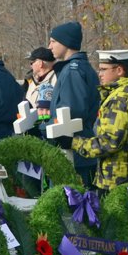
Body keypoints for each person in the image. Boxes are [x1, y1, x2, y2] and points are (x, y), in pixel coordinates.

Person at [71, 50, 128, 191]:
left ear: (119, 70)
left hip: (117, 181)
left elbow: (109, 142)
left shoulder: (120, 99)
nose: (99, 74)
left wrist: (74, 142)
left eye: (103, 69)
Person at [48, 21, 100, 185]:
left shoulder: (72, 71)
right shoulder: (78, 68)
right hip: (79, 150)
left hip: (74, 151)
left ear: (66, 43)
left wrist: (46, 128)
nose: (49, 46)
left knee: (74, 205)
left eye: (53, 41)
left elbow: (71, 113)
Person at [25, 47, 57, 118]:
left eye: (32, 62)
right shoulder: (30, 80)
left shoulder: (57, 79)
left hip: (46, 124)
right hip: (30, 124)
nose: (31, 66)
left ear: (40, 63)